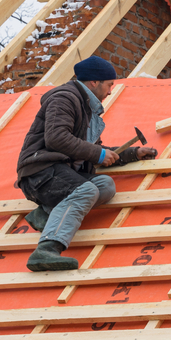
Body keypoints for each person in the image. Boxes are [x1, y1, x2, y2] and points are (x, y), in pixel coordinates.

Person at [16, 56, 157, 271]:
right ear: (94, 82)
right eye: (109, 84)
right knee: (86, 190)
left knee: (105, 185)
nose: (111, 91)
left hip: (61, 173)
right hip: (40, 172)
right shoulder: (64, 98)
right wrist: (98, 154)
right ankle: (46, 249)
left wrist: (134, 153)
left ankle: (45, 212)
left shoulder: (87, 109)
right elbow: (56, 137)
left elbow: (93, 150)